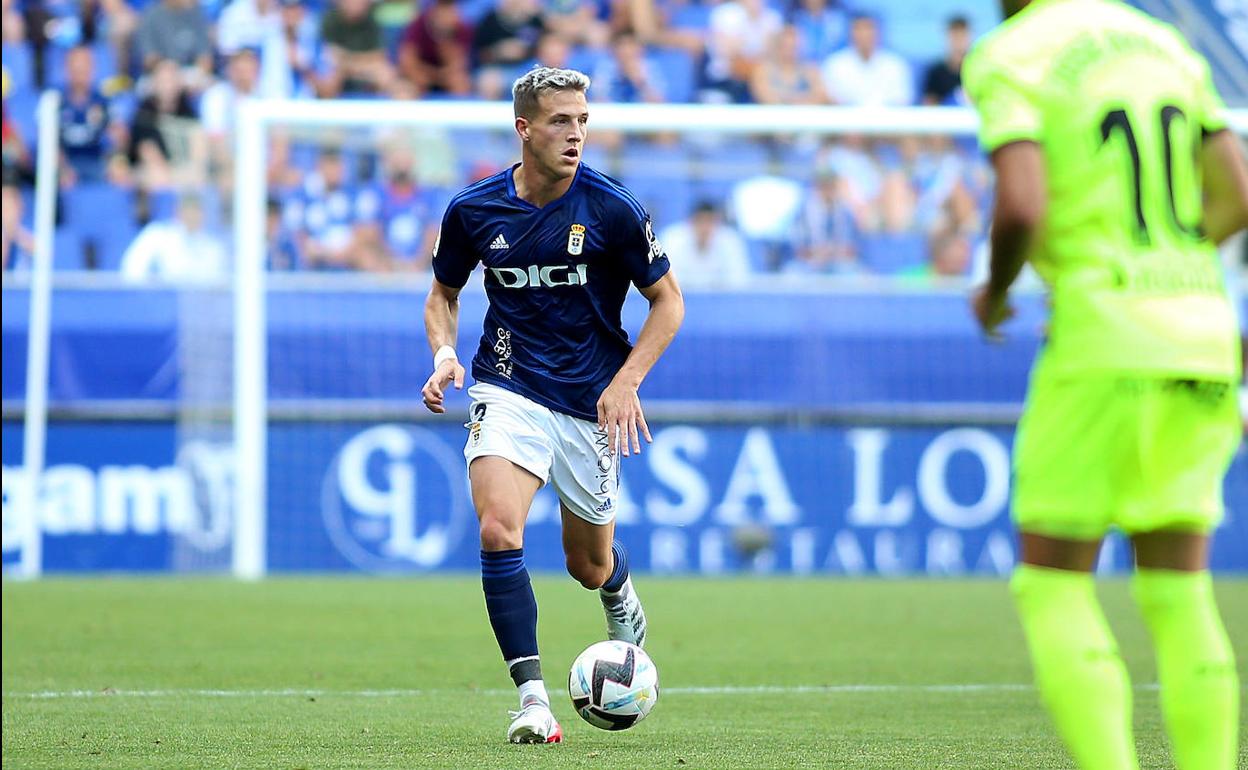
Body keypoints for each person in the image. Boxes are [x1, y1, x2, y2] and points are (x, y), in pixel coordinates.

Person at [963, 2, 1247, 769]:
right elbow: (1238, 195)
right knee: (1179, 590)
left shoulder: (1012, 53)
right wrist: (1170, 270)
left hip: (1102, 338)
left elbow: (1021, 204)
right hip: (1205, 337)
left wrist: (996, 292)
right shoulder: (1164, 43)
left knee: (1053, 582)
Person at [421, 66, 684, 744]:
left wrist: (626, 382)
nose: (576, 134)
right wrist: (444, 353)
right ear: (524, 128)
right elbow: (443, 294)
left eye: (583, 121)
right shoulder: (473, 210)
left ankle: (617, 586)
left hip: (589, 403)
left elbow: (668, 303)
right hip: (507, 385)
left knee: (586, 566)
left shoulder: (612, 208)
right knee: (497, 529)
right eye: (561, 121)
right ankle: (533, 702)